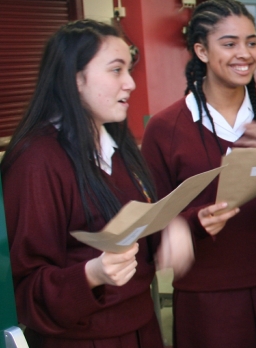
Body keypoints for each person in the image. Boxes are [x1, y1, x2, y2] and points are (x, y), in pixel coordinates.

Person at [141, 0, 256, 348]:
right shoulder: (165, 129)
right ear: (201, 51)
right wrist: (195, 221)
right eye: (229, 44)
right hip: (209, 297)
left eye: (252, 43)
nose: (245, 54)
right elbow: (153, 223)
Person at [1, 20, 163, 347]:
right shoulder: (37, 161)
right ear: (75, 79)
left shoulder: (118, 146)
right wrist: (92, 274)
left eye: (129, 69)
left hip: (142, 327)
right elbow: (25, 287)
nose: (131, 83)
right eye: (116, 70)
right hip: (81, 338)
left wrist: (176, 232)